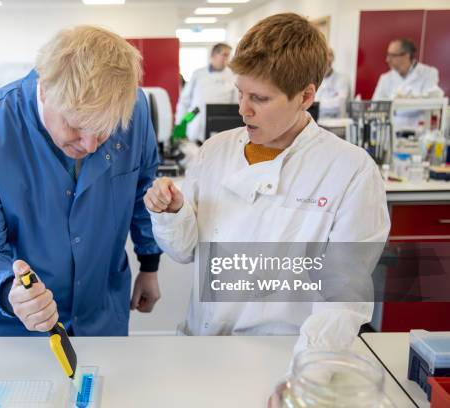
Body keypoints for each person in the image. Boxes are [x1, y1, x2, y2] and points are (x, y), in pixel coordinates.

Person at [144, 13, 390, 362]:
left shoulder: (350, 171)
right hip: (200, 345)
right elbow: (183, 252)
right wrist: (172, 214)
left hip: (284, 356)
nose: (243, 110)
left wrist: (307, 372)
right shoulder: (215, 152)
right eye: (240, 92)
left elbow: (344, 297)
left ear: (305, 96)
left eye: (259, 98)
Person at [0, 26, 162, 337]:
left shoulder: (132, 107)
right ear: (45, 89)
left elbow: (144, 187)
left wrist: (150, 264)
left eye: (103, 130)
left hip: (99, 312)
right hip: (9, 324)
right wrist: (12, 292)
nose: (90, 145)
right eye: (76, 125)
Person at [175, 43, 238, 143]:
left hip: (221, 129)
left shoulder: (233, 76)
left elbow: (236, 105)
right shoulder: (198, 74)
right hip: (196, 125)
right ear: (213, 55)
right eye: (224, 55)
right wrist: (180, 124)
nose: (227, 58)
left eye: (229, 55)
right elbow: (184, 101)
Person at [373, 38, 442, 100]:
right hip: (392, 114)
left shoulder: (429, 73)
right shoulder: (385, 78)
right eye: (388, 55)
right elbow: (375, 106)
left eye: (392, 56)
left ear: (406, 55)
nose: (387, 60)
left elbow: (431, 101)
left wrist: (408, 99)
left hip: (419, 114)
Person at [315, 48, 351, 118]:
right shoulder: (314, 80)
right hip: (317, 120)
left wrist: (320, 103)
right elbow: (312, 103)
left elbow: (340, 102)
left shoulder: (343, 79)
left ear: (333, 58)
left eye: (330, 55)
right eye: (324, 55)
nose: (327, 58)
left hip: (336, 122)